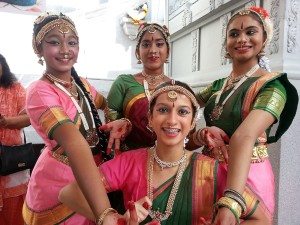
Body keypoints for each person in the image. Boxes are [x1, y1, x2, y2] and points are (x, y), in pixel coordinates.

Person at [59, 80, 271, 225]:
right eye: (162, 110)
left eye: (182, 111)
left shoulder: (211, 170)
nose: (171, 120)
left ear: (192, 122)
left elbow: (262, 219)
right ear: (150, 119)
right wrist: (114, 219)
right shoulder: (130, 162)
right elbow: (69, 193)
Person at [191, 6, 298, 223]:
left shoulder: (273, 86)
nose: (242, 39)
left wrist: (232, 199)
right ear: (226, 44)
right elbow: (183, 108)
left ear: (264, 38)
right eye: (234, 34)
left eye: (250, 32)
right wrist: (200, 134)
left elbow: (244, 136)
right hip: (207, 173)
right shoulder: (218, 86)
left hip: (248, 178)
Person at [23, 12, 129, 225]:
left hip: (93, 178)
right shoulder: (39, 91)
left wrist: (118, 122)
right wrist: (105, 214)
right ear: (39, 49)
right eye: (54, 42)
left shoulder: (82, 85)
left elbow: (105, 105)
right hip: (58, 183)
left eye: (72, 42)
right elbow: (74, 143)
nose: (65, 50)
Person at [105, 23, 171, 151]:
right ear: (137, 52)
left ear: (167, 51)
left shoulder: (177, 87)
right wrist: (125, 124)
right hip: (129, 157)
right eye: (146, 44)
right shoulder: (123, 82)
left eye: (159, 44)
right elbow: (110, 126)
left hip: (166, 160)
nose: (153, 50)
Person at [0, 53, 31, 225]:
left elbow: (28, 117)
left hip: (12, 159)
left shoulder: (16, 88)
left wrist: (5, 122)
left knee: (14, 211)